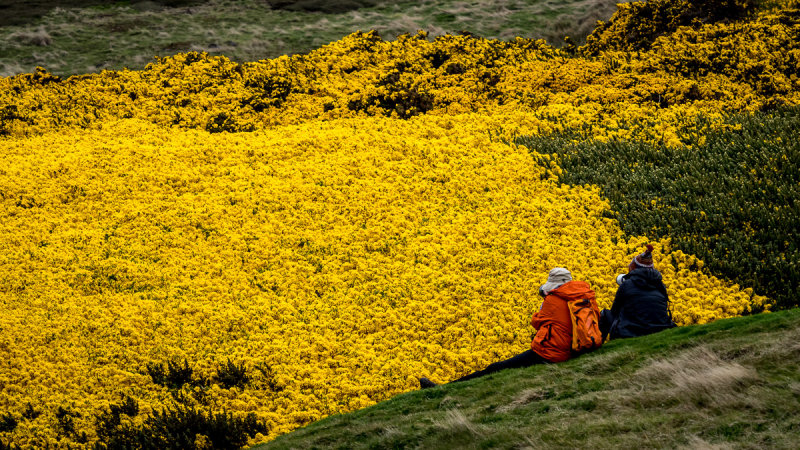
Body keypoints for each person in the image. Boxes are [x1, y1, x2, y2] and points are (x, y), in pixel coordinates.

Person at [419, 267, 600, 389]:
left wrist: (547, 301)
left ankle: (445, 389)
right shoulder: (585, 296)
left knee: (495, 368)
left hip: (551, 354)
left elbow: (536, 322)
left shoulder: (553, 300)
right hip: (575, 349)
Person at [599, 244, 676, 341]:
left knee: (605, 314)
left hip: (631, 332)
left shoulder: (626, 285)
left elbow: (615, 311)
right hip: (660, 330)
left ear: (634, 267)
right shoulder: (661, 285)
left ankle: (597, 347)